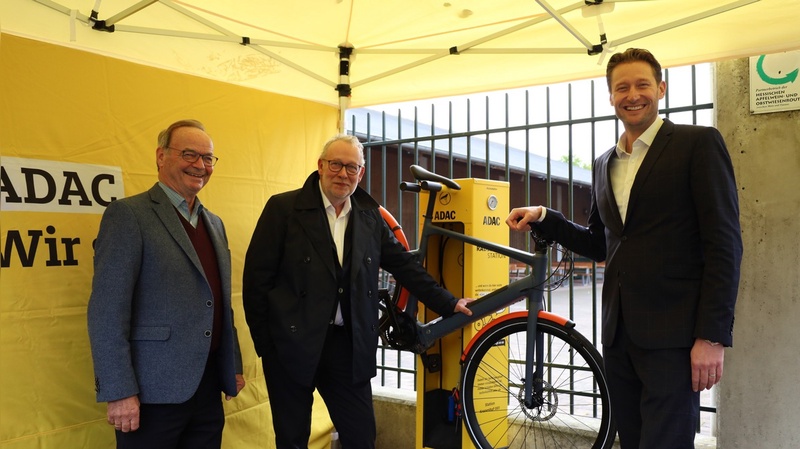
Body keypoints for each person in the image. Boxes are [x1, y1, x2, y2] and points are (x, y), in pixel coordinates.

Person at [506, 48, 742, 449]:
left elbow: (724, 243)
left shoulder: (697, 144)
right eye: (622, 88)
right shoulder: (604, 163)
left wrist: (712, 337)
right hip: (619, 338)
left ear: (661, 88)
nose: (633, 95)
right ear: (611, 96)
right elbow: (600, 242)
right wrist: (547, 217)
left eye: (642, 84)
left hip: (676, 339)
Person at [242, 134, 472, 449]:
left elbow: (404, 266)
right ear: (320, 166)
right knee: (292, 438)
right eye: (336, 164)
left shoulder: (368, 216)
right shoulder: (284, 209)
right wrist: (268, 345)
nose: (343, 173)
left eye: (352, 167)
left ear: (361, 174)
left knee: (361, 437)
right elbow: (256, 280)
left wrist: (449, 302)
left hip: (347, 345)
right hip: (293, 344)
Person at [87, 119, 245, 449]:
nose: (200, 165)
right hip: (149, 395)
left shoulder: (214, 223)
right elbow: (107, 313)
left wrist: (232, 365)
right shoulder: (128, 215)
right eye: (189, 154)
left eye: (207, 158)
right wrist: (119, 391)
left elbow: (218, 302)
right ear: (161, 156)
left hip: (207, 388)